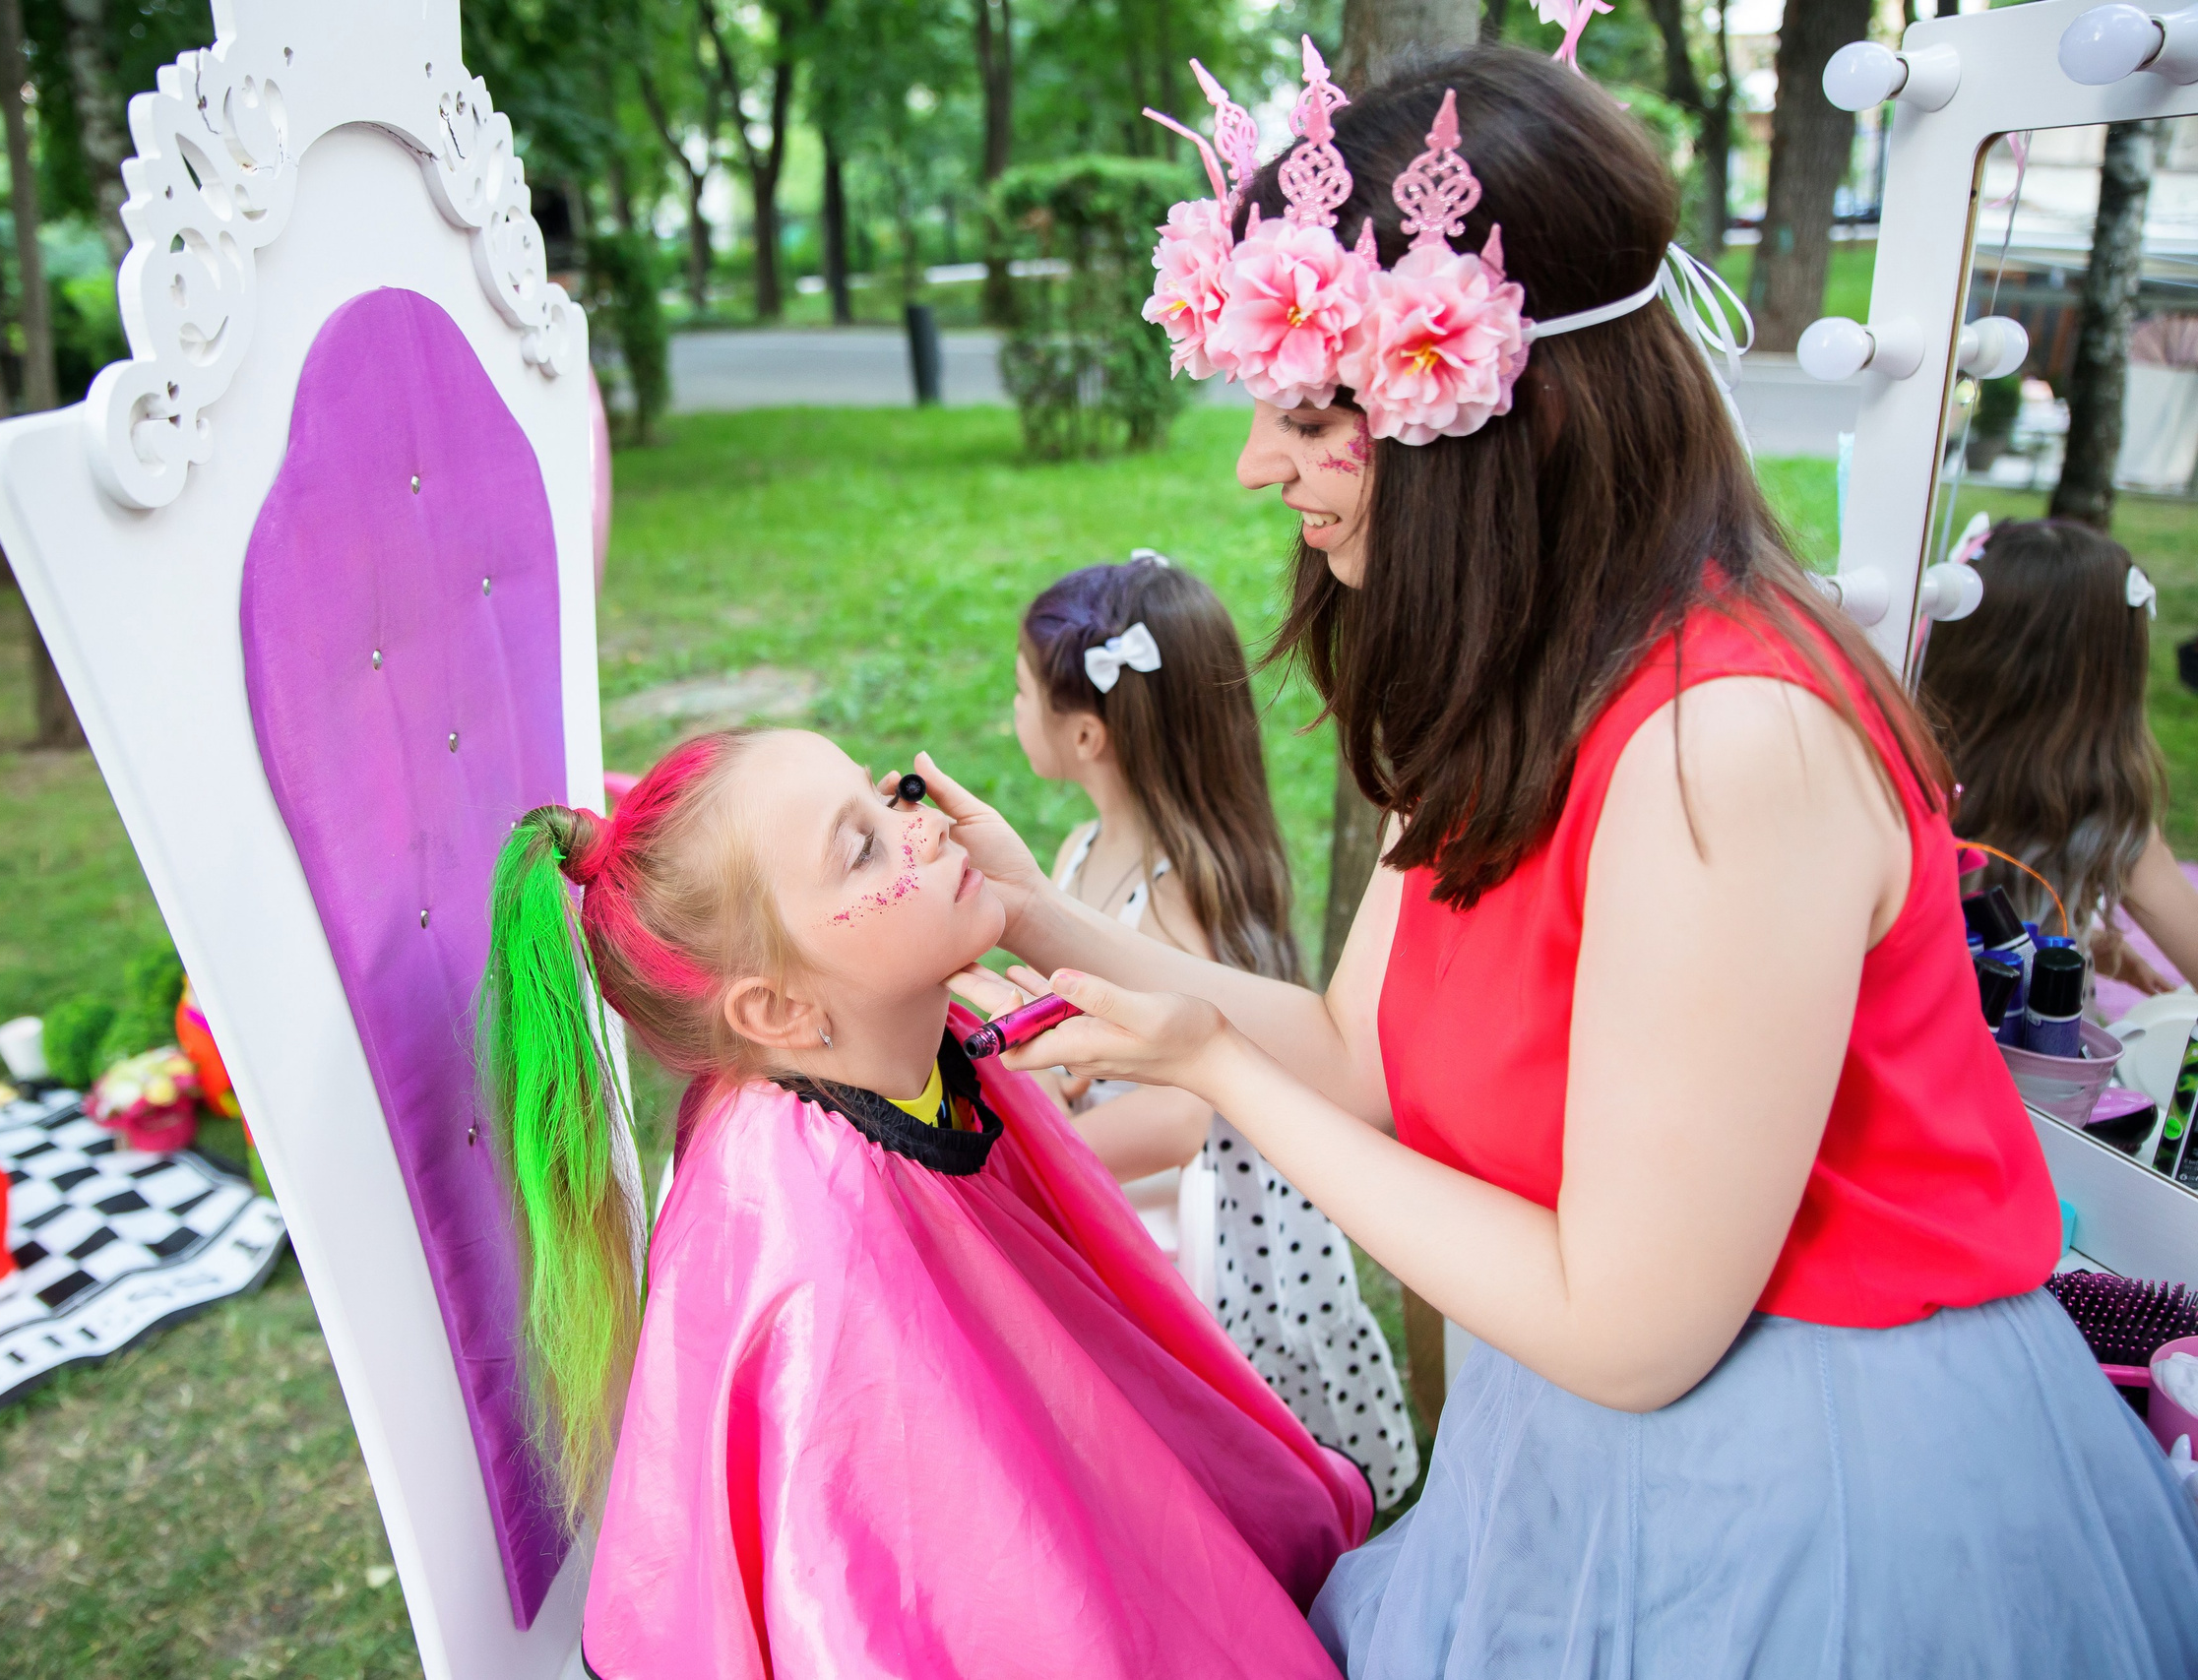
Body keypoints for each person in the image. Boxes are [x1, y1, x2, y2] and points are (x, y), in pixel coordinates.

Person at [921, 43, 2198, 1676]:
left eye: (1312, 413)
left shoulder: (1723, 743)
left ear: (1492, 417)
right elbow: (1361, 1056)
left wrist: (1222, 1086)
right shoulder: (1511, 680)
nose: (1258, 465)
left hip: (1820, 1488)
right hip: (1579, 1445)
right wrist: (1039, 914)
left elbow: (1632, 1323)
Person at [475, 726, 1370, 1679]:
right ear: (776, 1011)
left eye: (887, 794)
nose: (923, 827)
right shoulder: (814, 1267)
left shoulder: (913, 1047)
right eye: (862, 846)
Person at [1016, 553, 1416, 1505]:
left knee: (1210, 1424)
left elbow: (1189, 1113)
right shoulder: (1080, 848)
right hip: (1130, 1177)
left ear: (1085, 733)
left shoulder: (1178, 896)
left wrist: (1049, 1149)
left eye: (1022, 691)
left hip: (1198, 1212)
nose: (1013, 710)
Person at [1919, 517, 2198, 994]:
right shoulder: (2106, 819)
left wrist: (2099, 947)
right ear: (2110, 678)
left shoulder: (1902, 775)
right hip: (2028, 1063)